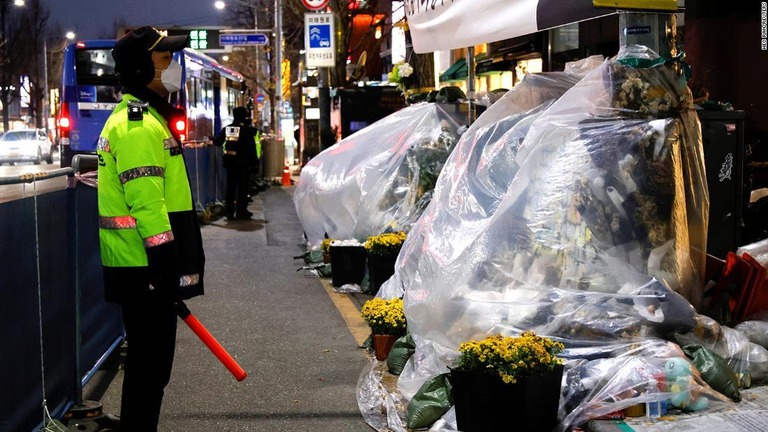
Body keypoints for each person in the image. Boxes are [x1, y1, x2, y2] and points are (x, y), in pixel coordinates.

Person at [96, 26, 205, 432]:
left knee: (150, 364)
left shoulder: (143, 120)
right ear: (144, 67)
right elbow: (147, 204)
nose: (172, 65)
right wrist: (164, 263)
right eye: (164, 58)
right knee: (150, 365)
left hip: (142, 266)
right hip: (144, 267)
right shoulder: (139, 126)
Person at [214, 106, 259, 220]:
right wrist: (254, 163)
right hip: (243, 163)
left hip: (230, 162)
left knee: (231, 187)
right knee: (243, 188)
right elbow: (251, 149)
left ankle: (229, 212)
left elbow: (218, 142)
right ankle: (241, 211)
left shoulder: (228, 129)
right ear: (244, 116)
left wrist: (211, 138)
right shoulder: (246, 130)